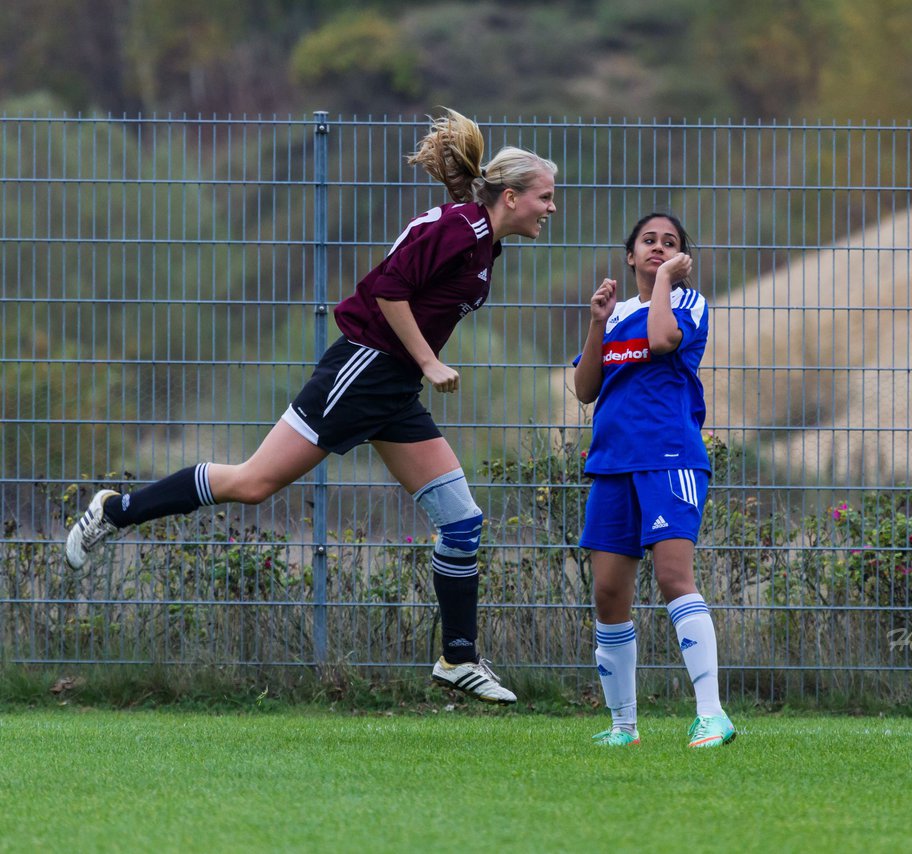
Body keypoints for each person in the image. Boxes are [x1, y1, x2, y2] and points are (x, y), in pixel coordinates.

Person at [64, 108, 558, 705]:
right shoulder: (460, 230)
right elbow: (386, 290)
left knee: (461, 523)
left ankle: (459, 659)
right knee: (251, 483)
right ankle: (116, 511)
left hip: (393, 388)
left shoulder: (480, 237)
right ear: (511, 196)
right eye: (545, 197)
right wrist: (429, 361)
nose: (550, 208)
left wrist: (417, 368)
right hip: (362, 370)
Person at [572, 212, 736, 748]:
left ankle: (712, 715)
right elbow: (585, 388)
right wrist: (597, 321)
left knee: (672, 578)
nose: (658, 248)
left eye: (670, 244)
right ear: (629, 254)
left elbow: (664, 340)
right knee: (608, 593)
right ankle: (624, 727)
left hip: (670, 457)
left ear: (682, 257)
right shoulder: (615, 314)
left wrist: (665, 283)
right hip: (612, 463)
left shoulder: (687, 303)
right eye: (649, 242)